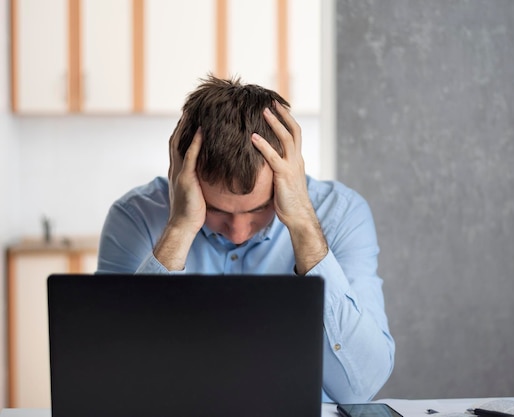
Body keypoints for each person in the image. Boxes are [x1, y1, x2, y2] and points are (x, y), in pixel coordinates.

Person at [97, 75, 395, 403]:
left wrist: (303, 227)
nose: (238, 232)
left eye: (259, 208)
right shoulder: (135, 216)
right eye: (215, 209)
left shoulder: (342, 214)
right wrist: (181, 226)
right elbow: (112, 376)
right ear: (182, 173)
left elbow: (361, 386)